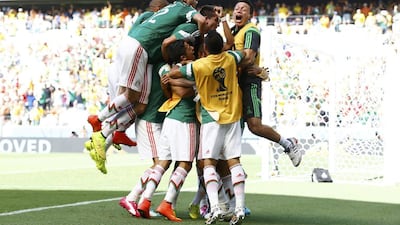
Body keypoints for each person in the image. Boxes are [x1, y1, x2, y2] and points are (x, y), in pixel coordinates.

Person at [86, 0, 206, 174]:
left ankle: (110, 136)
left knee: (135, 104)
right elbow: (166, 43)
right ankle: (100, 125)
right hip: (138, 52)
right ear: (158, 8)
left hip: (129, 54)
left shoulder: (151, 18)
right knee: (132, 99)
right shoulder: (170, 14)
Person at [165, 30, 247, 225]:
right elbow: (243, 54)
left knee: (208, 163)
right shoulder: (231, 58)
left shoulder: (199, 66)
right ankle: (240, 208)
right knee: (234, 161)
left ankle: (215, 207)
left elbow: (173, 73)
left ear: (205, 49)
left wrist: (182, 68)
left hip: (212, 119)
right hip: (233, 116)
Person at [231, 0, 302, 167]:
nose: (238, 11)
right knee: (234, 127)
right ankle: (232, 170)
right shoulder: (231, 32)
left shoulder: (251, 31)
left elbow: (248, 57)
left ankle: (288, 144)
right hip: (234, 83)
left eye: (243, 9)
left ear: (250, 15)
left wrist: (252, 69)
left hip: (249, 82)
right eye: (236, 8)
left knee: (254, 126)